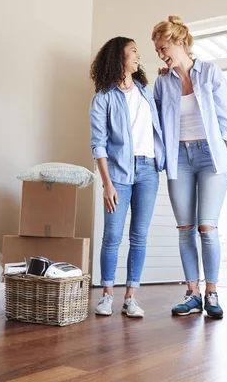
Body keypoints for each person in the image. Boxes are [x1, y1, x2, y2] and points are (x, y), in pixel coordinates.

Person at [152, 16, 227, 319]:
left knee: (207, 227)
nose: (161, 55)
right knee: (185, 229)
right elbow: (156, 120)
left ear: (178, 41)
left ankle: (212, 293)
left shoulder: (210, 73)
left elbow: (225, 119)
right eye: (158, 52)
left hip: (210, 156)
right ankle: (192, 294)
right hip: (179, 158)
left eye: (163, 49)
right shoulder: (163, 81)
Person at [89, 37, 165, 318]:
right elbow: (98, 144)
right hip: (118, 173)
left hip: (148, 169)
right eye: (133, 51)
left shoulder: (146, 93)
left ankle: (130, 297)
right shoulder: (103, 98)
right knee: (112, 236)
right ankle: (107, 295)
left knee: (140, 236)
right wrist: (107, 184)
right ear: (118, 56)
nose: (138, 55)